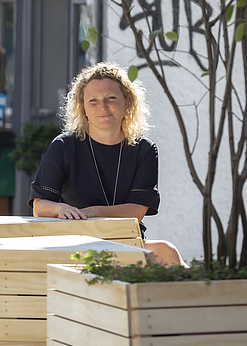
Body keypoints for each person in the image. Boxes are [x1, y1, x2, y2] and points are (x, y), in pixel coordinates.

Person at [29, 62, 185, 266]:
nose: (102, 107)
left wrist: (92, 212)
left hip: (128, 241)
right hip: (77, 243)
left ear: (127, 101)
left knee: (167, 252)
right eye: (93, 101)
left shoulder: (144, 149)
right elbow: (40, 206)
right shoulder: (63, 146)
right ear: (83, 107)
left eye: (111, 98)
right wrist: (60, 209)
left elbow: (137, 211)